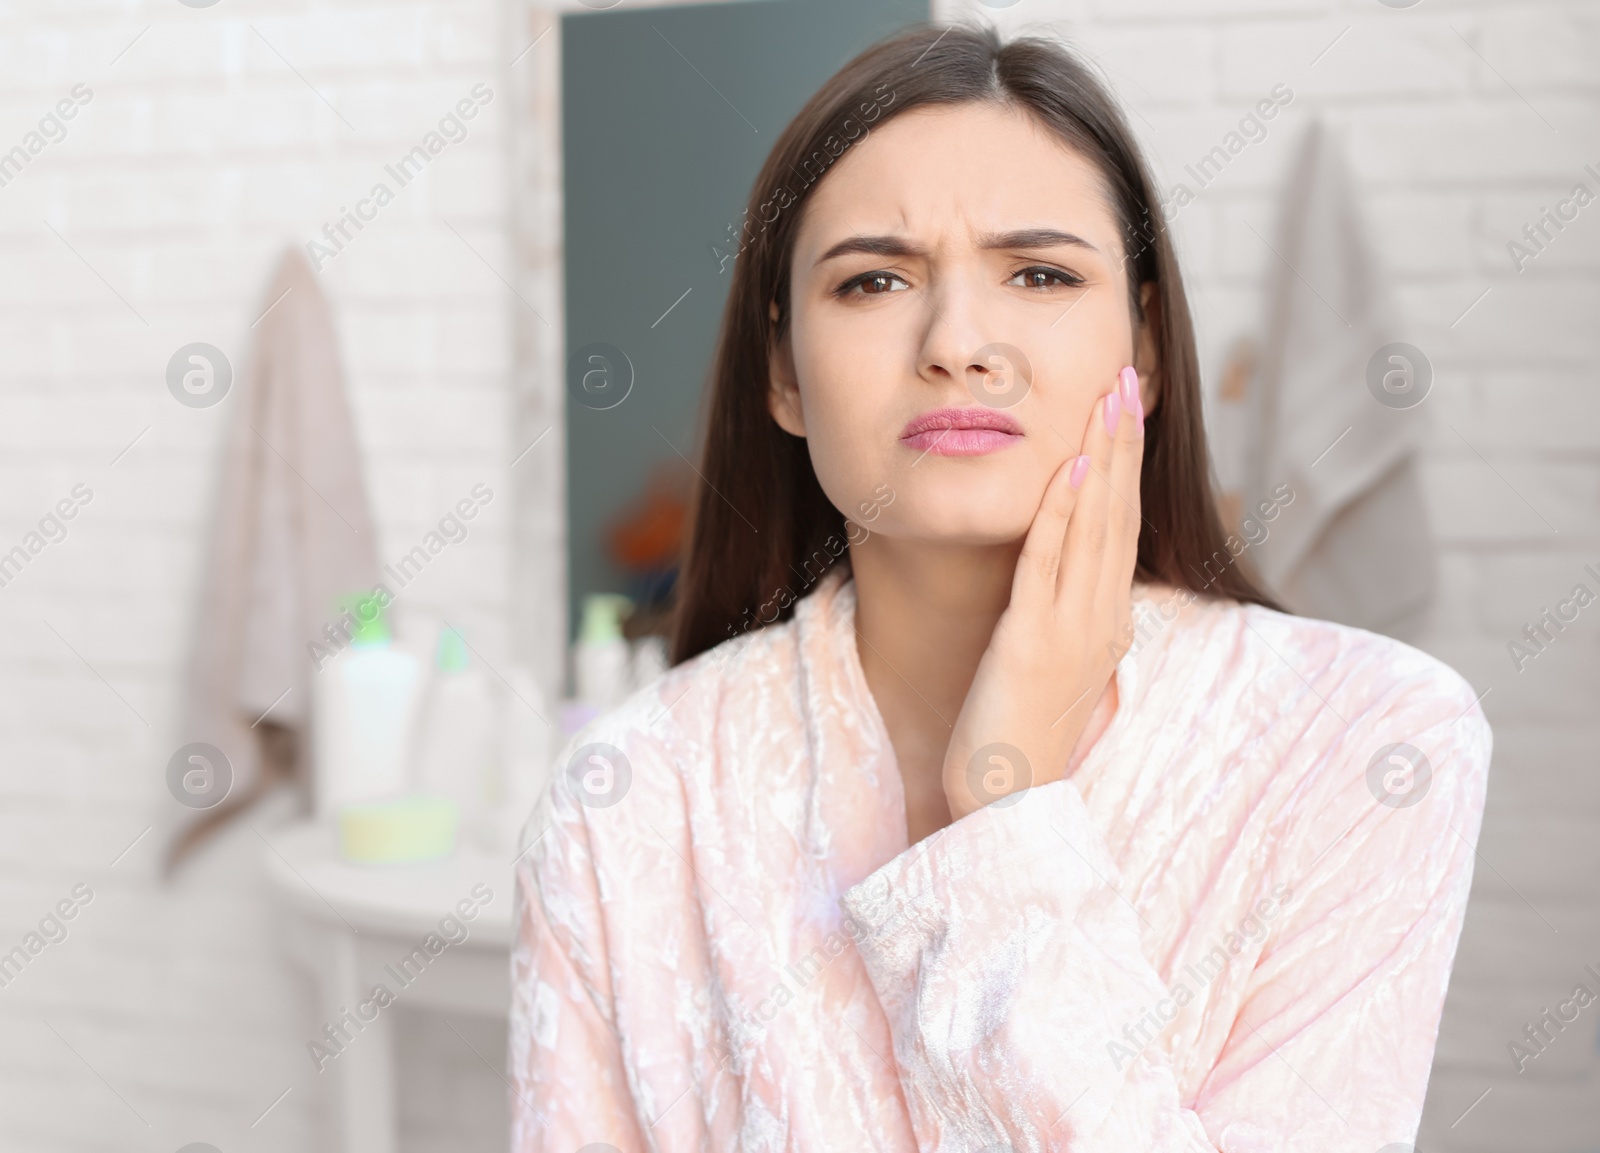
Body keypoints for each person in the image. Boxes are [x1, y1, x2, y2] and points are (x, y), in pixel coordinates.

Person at [511, 21, 1490, 1151]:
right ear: (782, 373)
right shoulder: (624, 803)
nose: (958, 342)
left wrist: (1003, 803)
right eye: (873, 279)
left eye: (1039, 272)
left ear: (1149, 350)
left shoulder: (1370, 746)